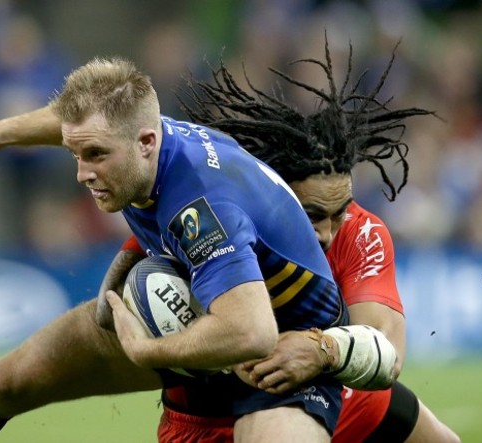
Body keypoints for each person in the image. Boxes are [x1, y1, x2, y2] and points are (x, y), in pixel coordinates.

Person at [0, 56, 368, 443]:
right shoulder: (142, 133)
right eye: (75, 155)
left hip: (286, 357)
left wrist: (148, 351)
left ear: (146, 142)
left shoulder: (202, 208)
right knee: (3, 382)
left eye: (97, 156)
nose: (82, 173)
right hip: (195, 308)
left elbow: (253, 333)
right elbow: (72, 122)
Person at [144, 41, 460, 442]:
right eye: (312, 215)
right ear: (272, 194)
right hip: (207, 419)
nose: (328, 232)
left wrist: (322, 348)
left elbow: (387, 349)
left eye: (339, 211)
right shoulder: (208, 215)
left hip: (325, 390)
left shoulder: (361, 232)